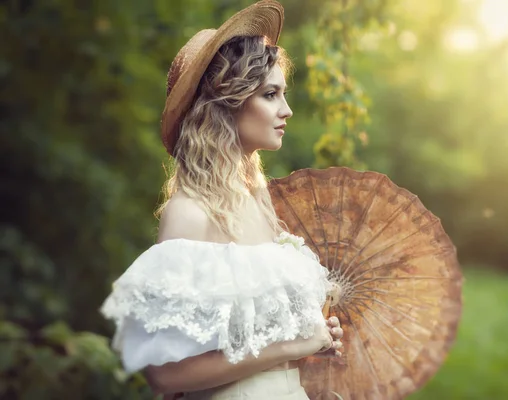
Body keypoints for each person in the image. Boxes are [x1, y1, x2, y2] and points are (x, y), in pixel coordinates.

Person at [100, 1, 344, 399]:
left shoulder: (260, 203)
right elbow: (165, 375)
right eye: (270, 94)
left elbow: (253, 347)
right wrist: (292, 345)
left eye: (283, 94)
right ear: (227, 103)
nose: (287, 110)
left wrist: (314, 338)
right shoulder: (189, 213)